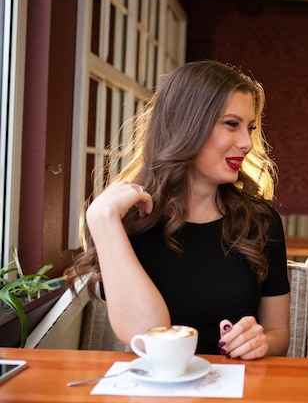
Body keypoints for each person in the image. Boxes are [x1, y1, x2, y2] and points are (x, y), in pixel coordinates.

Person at [65, 60, 290, 359]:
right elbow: (149, 336)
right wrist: (101, 219)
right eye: (231, 124)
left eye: (249, 128)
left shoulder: (262, 221)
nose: (247, 142)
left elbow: (279, 336)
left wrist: (260, 341)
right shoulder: (127, 222)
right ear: (186, 125)